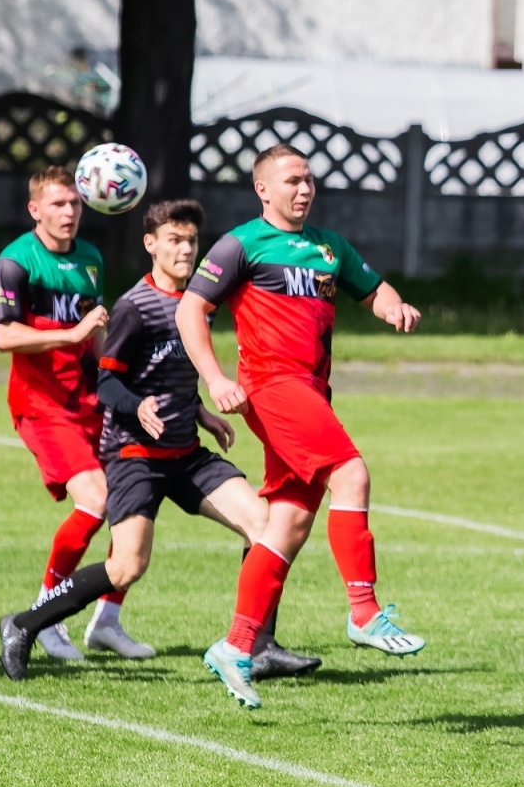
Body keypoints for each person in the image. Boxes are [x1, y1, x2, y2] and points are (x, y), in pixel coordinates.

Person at [0, 201, 318, 680]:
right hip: (135, 456)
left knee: (266, 525)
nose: (185, 249)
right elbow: (106, 382)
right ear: (151, 245)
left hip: (186, 454)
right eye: (174, 240)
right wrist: (136, 406)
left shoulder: (196, 305)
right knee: (127, 566)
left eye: (190, 241)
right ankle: (24, 623)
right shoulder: (134, 307)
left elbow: (173, 375)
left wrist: (202, 413)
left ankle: (259, 644)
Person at [175, 144, 425, 709]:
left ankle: (236, 645)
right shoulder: (241, 243)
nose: (304, 189)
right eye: (292, 180)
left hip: (311, 391)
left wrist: (394, 307)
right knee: (353, 475)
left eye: (309, 180)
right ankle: (364, 610)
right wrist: (214, 378)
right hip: (271, 385)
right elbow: (191, 309)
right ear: (263, 189)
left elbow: (373, 287)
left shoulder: (328, 246)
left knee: (285, 526)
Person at [0, 165, 146, 661]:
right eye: (58, 204)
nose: (69, 212)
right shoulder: (15, 262)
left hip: (87, 399)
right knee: (95, 501)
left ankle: (108, 620)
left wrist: (120, 379)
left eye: (75, 204)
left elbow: (94, 334)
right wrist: (71, 334)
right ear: (35, 210)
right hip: (41, 405)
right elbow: (3, 336)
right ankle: (47, 614)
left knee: (137, 489)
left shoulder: (91, 259)